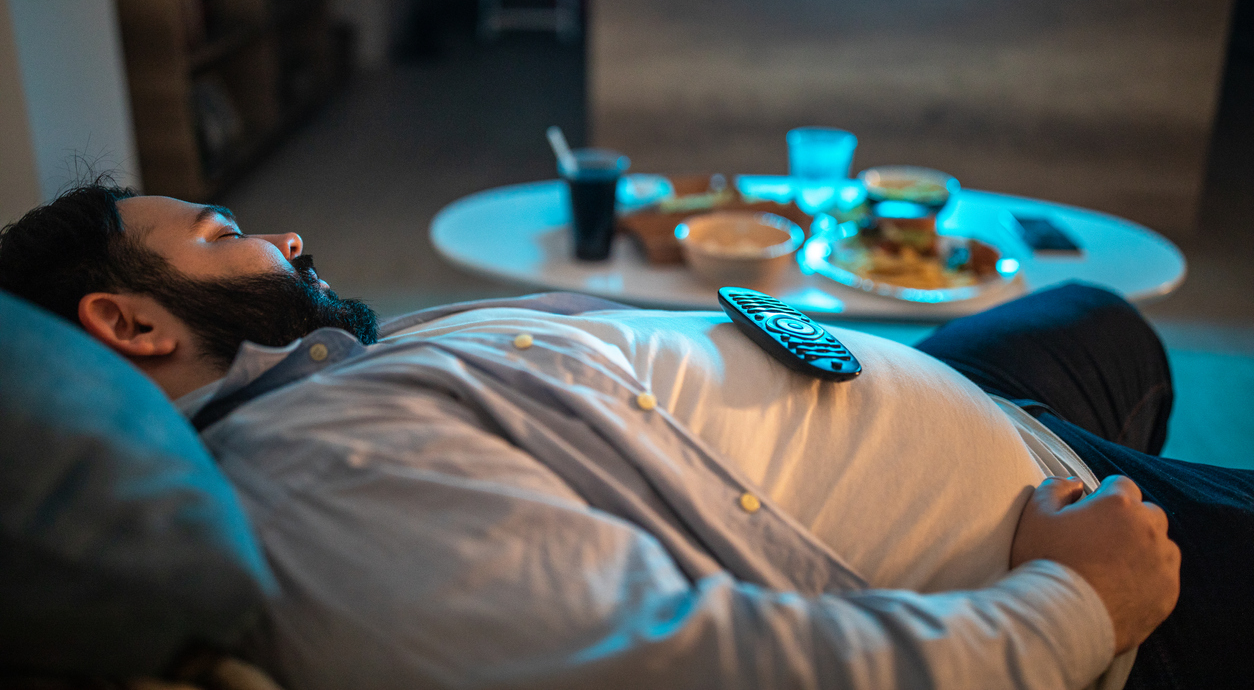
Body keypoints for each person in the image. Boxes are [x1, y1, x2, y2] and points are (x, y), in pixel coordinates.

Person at [0, 181, 1247, 690]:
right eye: (225, 234)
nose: (289, 242)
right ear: (130, 321)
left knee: (1095, 312)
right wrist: (1081, 599)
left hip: (974, 413)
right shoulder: (318, 481)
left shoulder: (331, 381)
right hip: (1076, 538)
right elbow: (715, 667)